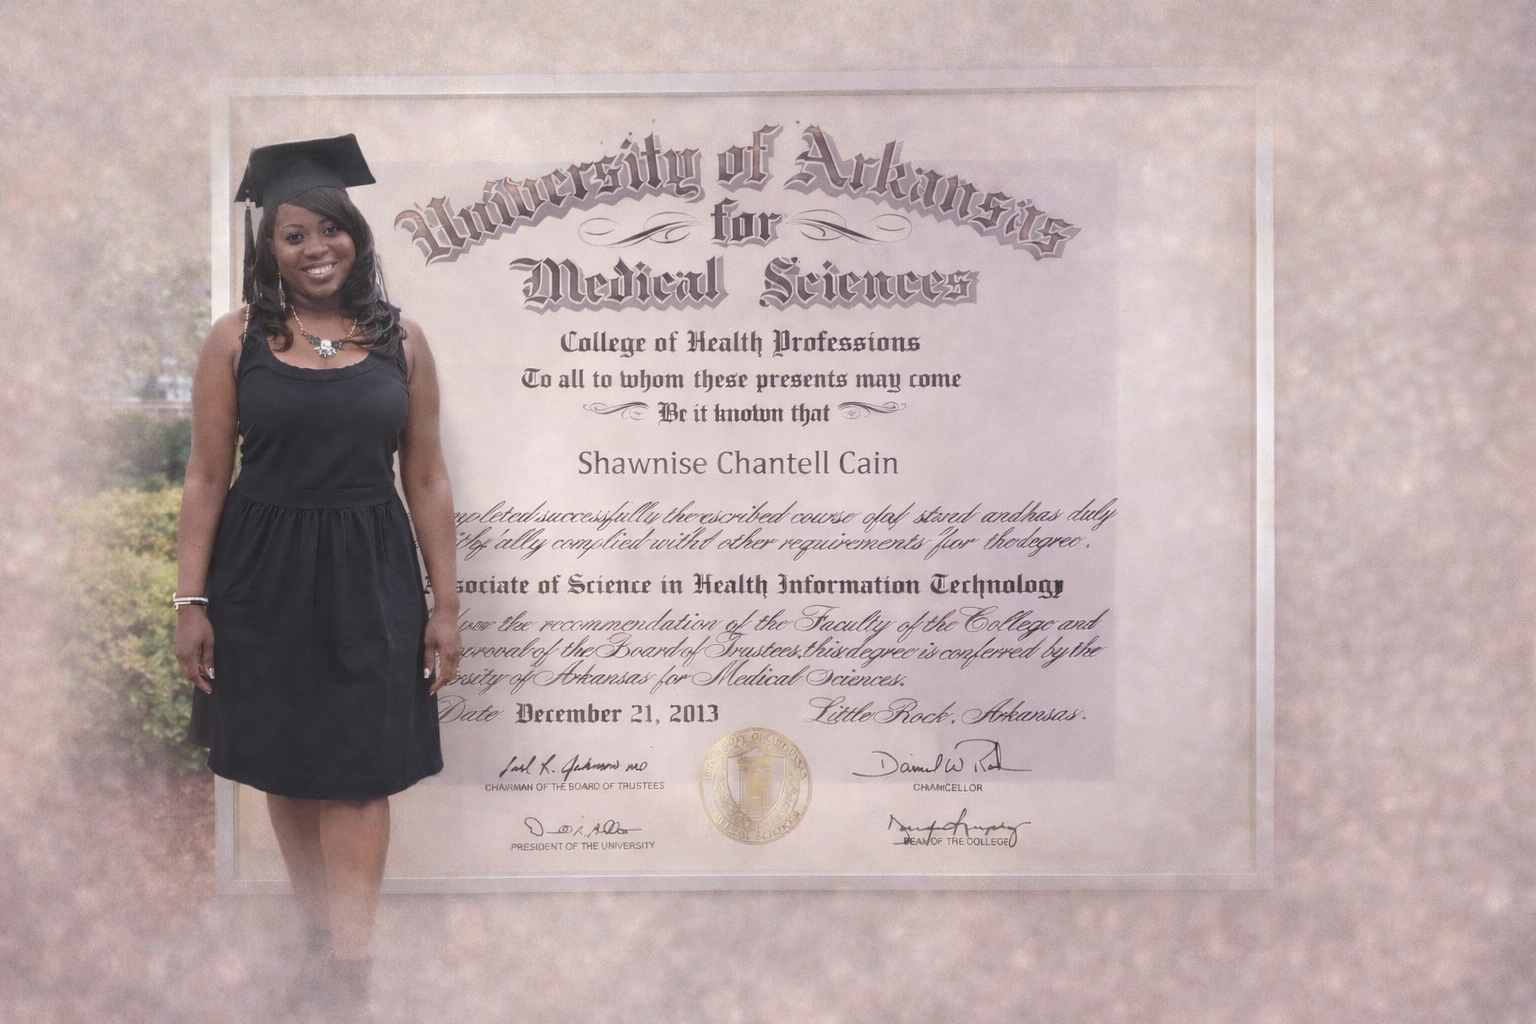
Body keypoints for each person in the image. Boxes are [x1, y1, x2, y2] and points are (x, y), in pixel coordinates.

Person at [172, 134, 461, 1020]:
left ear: (357, 236)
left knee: (358, 773)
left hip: (369, 574)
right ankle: (316, 938)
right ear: (270, 251)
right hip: (260, 576)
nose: (315, 247)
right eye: (293, 234)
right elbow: (206, 475)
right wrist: (191, 601)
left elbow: (425, 478)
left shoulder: (401, 342)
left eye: (329, 228)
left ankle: (351, 967)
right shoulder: (236, 342)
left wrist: (444, 604)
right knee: (287, 767)